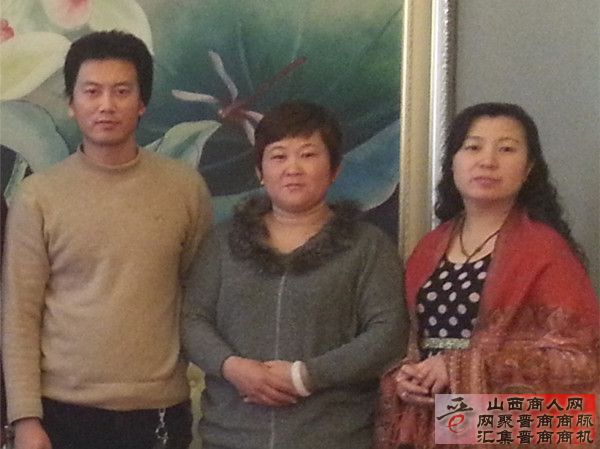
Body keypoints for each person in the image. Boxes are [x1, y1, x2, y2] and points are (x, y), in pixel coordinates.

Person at [1, 30, 212, 449]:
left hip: (158, 410)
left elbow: (201, 296)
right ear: (71, 102)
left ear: (142, 102)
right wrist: (25, 418)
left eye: (122, 91)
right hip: (61, 411)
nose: (106, 105)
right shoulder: (38, 196)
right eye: (91, 91)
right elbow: (20, 314)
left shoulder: (185, 189)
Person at [183, 101, 408, 449]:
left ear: (335, 169)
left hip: (334, 438)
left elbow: (388, 334)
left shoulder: (368, 246)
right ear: (259, 170)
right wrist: (232, 367)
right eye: (278, 156)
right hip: (230, 436)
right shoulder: (222, 242)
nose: (292, 168)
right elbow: (193, 319)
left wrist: (304, 376)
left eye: (308, 155)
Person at [375, 102, 599, 449]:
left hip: (503, 429)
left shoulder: (545, 250)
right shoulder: (428, 248)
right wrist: (407, 376)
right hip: (432, 422)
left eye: (506, 149)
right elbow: (410, 343)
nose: (487, 161)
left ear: (528, 169)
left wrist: (459, 368)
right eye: (473, 147)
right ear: (453, 162)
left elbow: (581, 360)